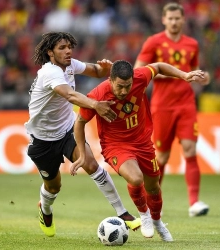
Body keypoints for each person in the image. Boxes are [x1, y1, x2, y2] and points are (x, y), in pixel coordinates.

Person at [70, 60, 206, 241]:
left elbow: (158, 67)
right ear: (110, 80)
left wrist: (183, 75)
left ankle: (157, 222)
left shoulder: (141, 77)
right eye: (120, 86)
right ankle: (144, 216)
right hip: (115, 145)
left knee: (154, 187)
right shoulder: (98, 95)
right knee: (135, 178)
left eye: (128, 86)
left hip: (142, 142)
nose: (124, 91)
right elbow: (79, 123)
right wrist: (81, 153)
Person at [25, 32, 141, 237]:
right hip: (42, 139)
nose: (68, 50)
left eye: (69, 46)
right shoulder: (49, 73)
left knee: (91, 164)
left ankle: (123, 213)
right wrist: (96, 105)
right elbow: (69, 95)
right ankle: (45, 209)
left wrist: (108, 68)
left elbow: (96, 71)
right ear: (50, 52)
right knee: (53, 187)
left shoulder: (70, 65)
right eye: (62, 48)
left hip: (67, 130)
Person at [134, 2, 210, 217]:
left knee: (190, 150)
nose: (175, 22)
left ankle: (194, 202)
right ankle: (152, 200)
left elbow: (194, 69)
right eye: (171, 18)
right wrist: (176, 73)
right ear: (164, 20)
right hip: (162, 106)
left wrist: (202, 77)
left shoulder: (192, 44)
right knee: (163, 158)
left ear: (183, 20)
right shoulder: (154, 42)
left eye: (178, 18)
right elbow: (140, 71)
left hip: (186, 104)